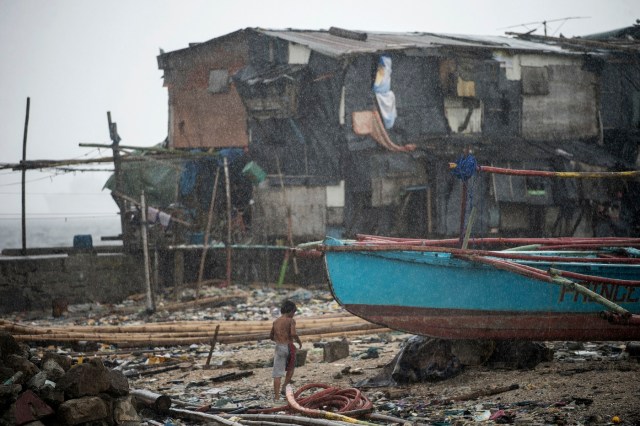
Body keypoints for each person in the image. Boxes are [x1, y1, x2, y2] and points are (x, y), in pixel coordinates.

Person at [270, 300, 302, 401]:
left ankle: (276, 397)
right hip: (288, 346)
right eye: (294, 312)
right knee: (291, 368)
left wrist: (279, 338)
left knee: (277, 373)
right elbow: (293, 333)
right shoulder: (290, 320)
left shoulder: (275, 322)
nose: (294, 315)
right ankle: (284, 386)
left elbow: (271, 336)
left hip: (279, 347)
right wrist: (299, 341)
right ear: (290, 311)